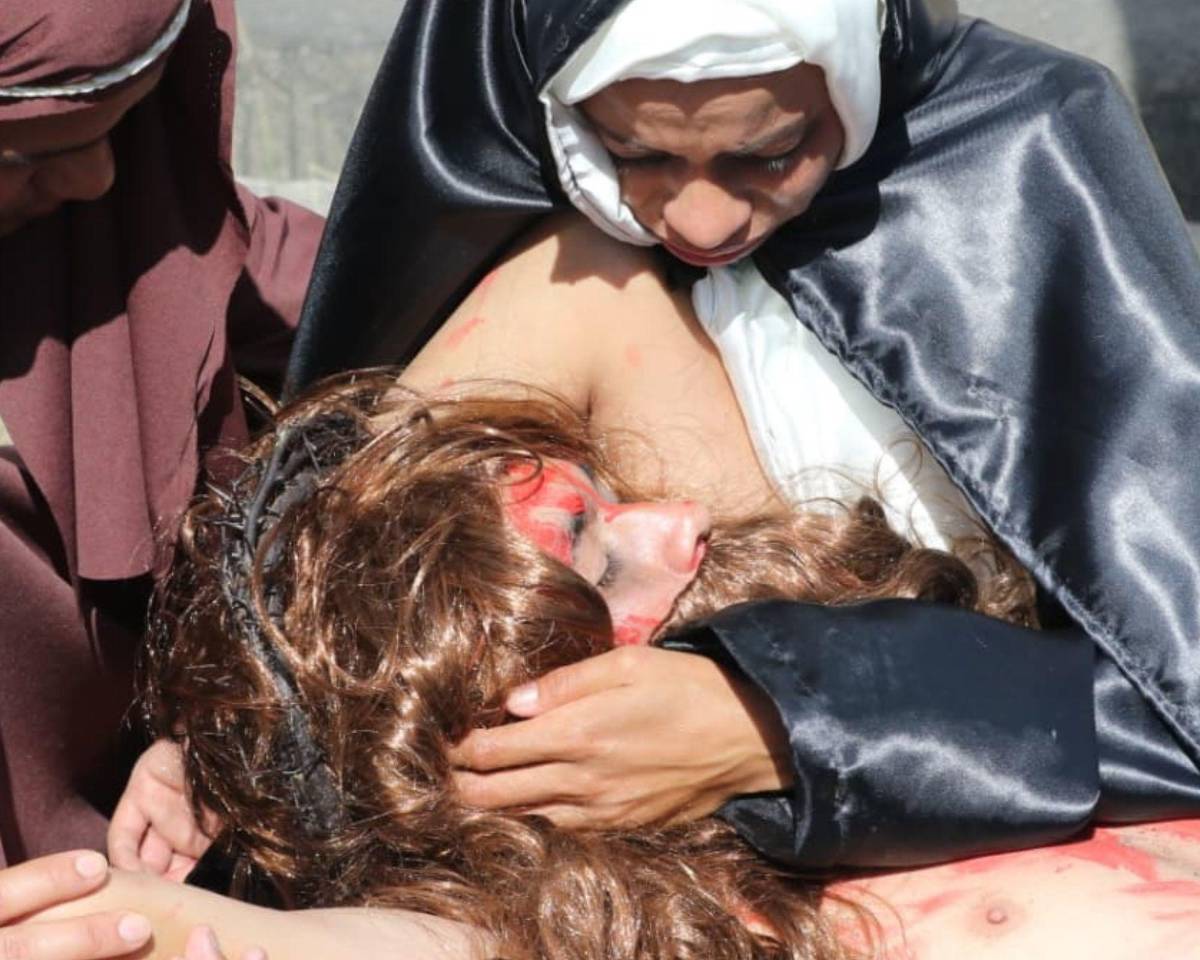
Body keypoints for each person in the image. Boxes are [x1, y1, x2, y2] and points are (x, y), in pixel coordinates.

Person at [282, 0, 1200, 868]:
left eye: (770, 153)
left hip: (959, 698)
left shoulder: (1027, 155)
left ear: (851, 74)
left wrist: (783, 724)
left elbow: (1172, 680)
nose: (702, 219)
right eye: (635, 151)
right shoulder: (571, 263)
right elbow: (343, 584)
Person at [101, 374, 1200, 960]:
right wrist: (160, 908)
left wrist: (780, 718)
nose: (686, 518)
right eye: (598, 553)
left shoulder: (876, 631)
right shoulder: (601, 920)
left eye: (612, 496)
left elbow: (594, 280)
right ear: (499, 723)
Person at [1, 0, 321, 955]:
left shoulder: (151, 237)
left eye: (124, 128)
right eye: (27, 154)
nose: (96, 179)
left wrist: (229, 716)